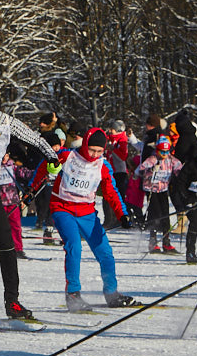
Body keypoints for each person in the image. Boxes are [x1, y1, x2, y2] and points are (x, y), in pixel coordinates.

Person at [0, 88, 59, 319]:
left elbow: (35, 139)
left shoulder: (6, 122)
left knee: (7, 245)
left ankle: (13, 301)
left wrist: (51, 156)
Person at [34, 127, 134, 310]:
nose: (94, 154)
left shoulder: (103, 165)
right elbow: (43, 167)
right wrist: (33, 189)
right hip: (62, 208)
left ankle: (112, 294)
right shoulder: (67, 156)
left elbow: (111, 191)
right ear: (86, 144)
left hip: (87, 212)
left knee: (105, 253)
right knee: (74, 246)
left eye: (99, 151)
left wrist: (123, 214)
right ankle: (73, 294)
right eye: (92, 149)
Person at [136, 135, 182, 253]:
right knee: (154, 216)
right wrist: (150, 171)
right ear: (157, 150)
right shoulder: (152, 159)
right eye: (162, 151)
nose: (165, 154)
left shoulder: (171, 160)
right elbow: (139, 171)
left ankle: (166, 242)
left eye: (167, 151)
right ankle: (153, 242)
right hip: (151, 190)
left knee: (165, 216)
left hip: (163, 190)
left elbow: (180, 169)